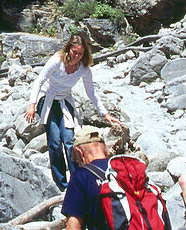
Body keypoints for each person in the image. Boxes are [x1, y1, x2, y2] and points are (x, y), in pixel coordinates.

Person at [25, 31, 122, 189]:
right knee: (55, 142)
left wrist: (105, 114)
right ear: (68, 49)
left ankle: (78, 179)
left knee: (70, 140)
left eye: (80, 53)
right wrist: (32, 104)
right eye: (74, 52)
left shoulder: (83, 68)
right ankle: (62, 184)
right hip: (48, 99)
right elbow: (39, 81)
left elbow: (91, 92)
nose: (76, 56)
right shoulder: (57, 61)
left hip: (64, 100)